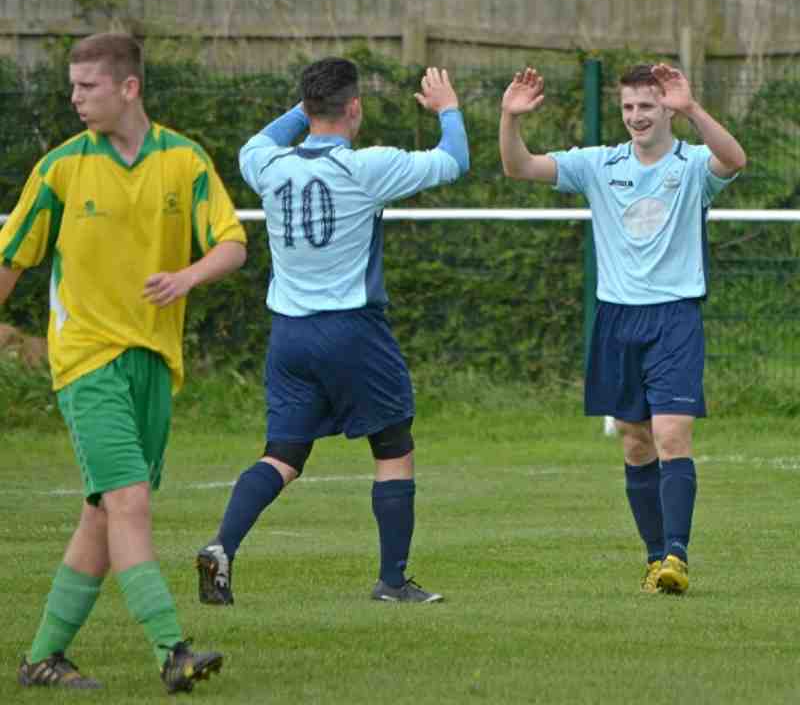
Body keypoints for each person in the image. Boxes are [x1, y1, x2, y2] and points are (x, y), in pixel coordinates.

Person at [0, 32, 247, 692]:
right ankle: (172, 649)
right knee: (130, 502)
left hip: (153, 365)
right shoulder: (60, 168)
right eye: (73, 86)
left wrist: (187, 277)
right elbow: (12, 257)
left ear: (128, 88)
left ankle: (43, 658)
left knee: (103, 514)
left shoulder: (184, 161)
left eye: (88, 86)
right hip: (87, 361)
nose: (74, 97)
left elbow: (232, 243)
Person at [196, 57, 469, 605]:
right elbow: (454, 161)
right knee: (392, 446)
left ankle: (223, 546)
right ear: (355, 108)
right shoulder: (366, 167)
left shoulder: (266, 165)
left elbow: (260, 140)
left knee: (283, 454)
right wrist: (449, 109)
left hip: (289, 336)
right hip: (351, 329)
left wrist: (305, 107)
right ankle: (393, 581)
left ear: (306, 107)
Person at [499, 63, 746, 594]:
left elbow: (734, 158)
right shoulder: (598, 164)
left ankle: (677, 556)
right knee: (636, 446)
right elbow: (518, 167)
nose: (636, 116)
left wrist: (694, 109)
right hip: (616, 318)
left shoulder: (693, 164)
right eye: (629, 107)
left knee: (672, 435)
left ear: (666, 110)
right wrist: (509, 117)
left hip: (675, 314)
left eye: (648, 107)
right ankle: (655, 559)